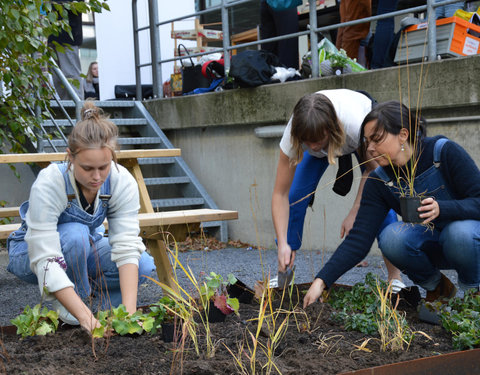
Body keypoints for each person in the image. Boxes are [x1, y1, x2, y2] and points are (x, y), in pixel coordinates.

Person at [304, 101, 480, 308]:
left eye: (376, 139)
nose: (369, 148)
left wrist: (443, 209)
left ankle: (473, 294)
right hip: (433, 244)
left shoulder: (442, 152)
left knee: (458, 232)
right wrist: (322, 280)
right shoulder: (379, 181)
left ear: (403, 135)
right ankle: (438, 288)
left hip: (469, 242)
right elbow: (358, 240)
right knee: (390, 238)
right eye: (367, 141)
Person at [6, 101, 156, 333]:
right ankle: (81, 309)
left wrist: (129, 315)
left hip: (85, 246)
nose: (97, 177)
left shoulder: (120, 180)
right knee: (75, 234)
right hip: (32, 254)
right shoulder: (51, 182)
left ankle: (75, 309)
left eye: (103, 167)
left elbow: (126, 246)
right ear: (71, 157)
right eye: (87, 168)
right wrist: (86, 318)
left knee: (143, 264)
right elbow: (45, 257)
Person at [272, 89, 402, 289]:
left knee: (382, 199)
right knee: (295, 197)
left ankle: (395, 278)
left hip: (356, 131)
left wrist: (354, 212)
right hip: (329, 134)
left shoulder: (358, 125)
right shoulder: (294, 135)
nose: (314, 147)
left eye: (318, 141)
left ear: (331, 131)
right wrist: (282, 242)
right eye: (308, 142)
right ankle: (285, 268)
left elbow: (373, 173)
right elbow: (279, 194)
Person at [48, 0, 84, 100]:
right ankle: (66, 107)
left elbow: (78, 6)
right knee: (57, 77)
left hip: (68, 37)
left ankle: (76, 107)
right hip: (52, 37)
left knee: (70, 74)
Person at [260, 0, 299, 69]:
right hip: (283, 3)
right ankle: (288, 75)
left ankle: (269, 74)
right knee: (288, 45)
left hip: (267, 3)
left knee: (269, 46)